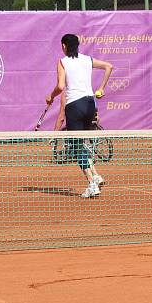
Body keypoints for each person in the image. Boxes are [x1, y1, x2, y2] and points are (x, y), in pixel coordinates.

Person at [46, 34, 113, 198]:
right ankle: (95, 175)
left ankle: (92, 184)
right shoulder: (87, 60)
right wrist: (102, 88)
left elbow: (61, 86)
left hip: (75, 106)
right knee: (82, 143)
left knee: (76, 146)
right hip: (90, 104)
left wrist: (51, 96)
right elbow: (109, 66)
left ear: (63, 46)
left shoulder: (62, 62)